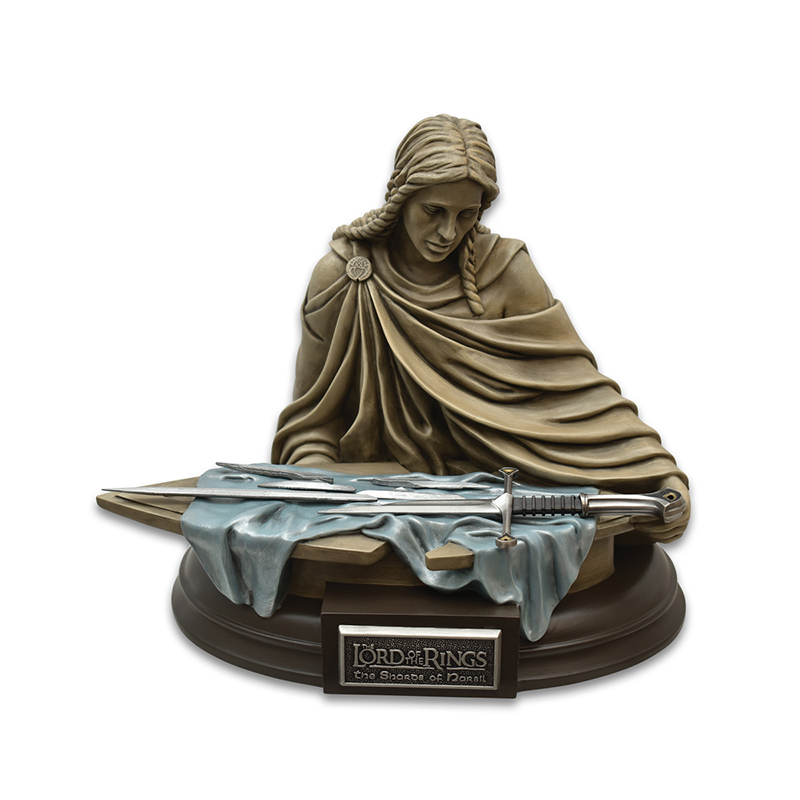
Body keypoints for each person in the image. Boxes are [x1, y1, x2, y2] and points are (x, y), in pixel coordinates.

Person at [272, 115, 689, 541]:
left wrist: (659, 476)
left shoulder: (506, 272)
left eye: (466, 214)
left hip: (505, 487)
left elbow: (578, 397)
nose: (448, 232)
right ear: (401, 197)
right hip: (381, 491)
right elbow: (313, 425)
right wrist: (323, 489)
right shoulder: (343, 278)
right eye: (434, 211)